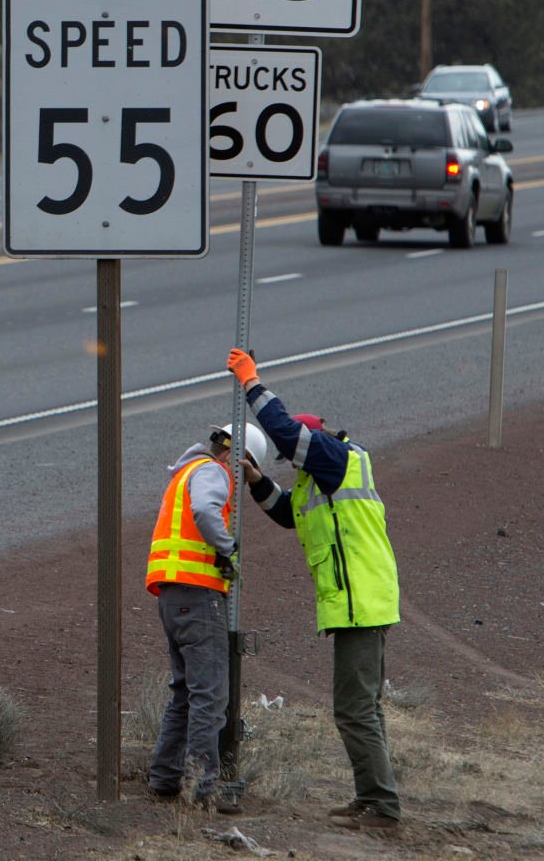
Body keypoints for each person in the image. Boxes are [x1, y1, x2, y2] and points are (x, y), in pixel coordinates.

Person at [227, 347, 402, 832]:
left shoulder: (332, 455)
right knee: (363, 709)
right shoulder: (316, 479)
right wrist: (258, 480)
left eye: (291, 456)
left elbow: (283, 429)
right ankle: (373, 797)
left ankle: (383, 807)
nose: (290, 462)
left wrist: (250, 381)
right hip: (361, 603)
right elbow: (288, 514)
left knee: (352, 710)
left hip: (361, 604)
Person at [144, 422, 266, 810]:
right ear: (237, 457)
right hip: (197, 596)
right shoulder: (212, 472)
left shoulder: (187, 472)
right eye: (244, 473)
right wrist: (228, 548)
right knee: (209, 695)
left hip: (173, 594)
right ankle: (201, 789)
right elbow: (204, 509)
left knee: (185, 692)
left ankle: (164, 778)